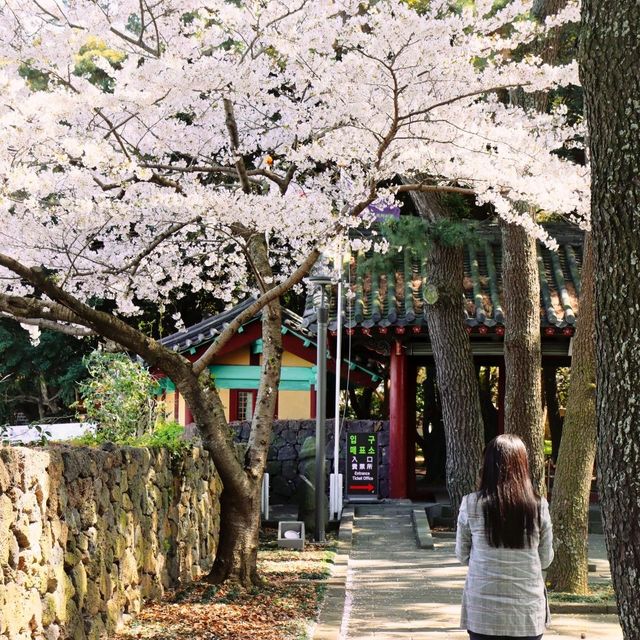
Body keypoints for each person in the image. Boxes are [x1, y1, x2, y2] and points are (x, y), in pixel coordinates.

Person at [455, 434, 554, 640]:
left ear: (487, 466)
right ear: (523, 466)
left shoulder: (470, 504)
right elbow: (545, 559)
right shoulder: (539, 506)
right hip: (526, 612)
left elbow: (462, 555)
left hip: (483, 610)